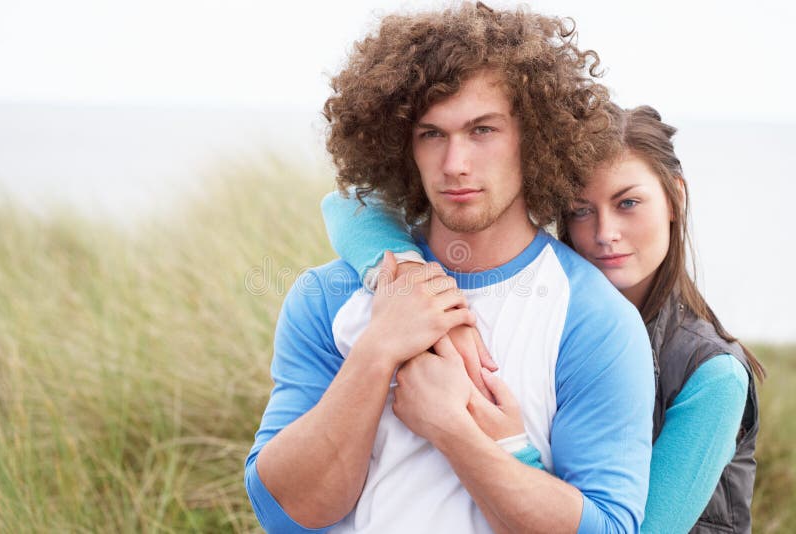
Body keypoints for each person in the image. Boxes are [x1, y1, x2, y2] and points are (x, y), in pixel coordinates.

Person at [245, 3, 655, 533]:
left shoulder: (594, 318)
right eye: (431, 133)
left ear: (533, 138)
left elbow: (610, 527)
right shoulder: (328, 296)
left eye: (482, 130)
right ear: (401, 146)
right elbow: (284, 512)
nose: (455, 163)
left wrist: (452, 429)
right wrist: (377, 351)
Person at [321, 102, 764, 533]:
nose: (604, 233)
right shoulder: (561, 308)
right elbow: (346, 205)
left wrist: (511, 449)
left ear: (674, 198)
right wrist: (417, 282)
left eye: (628, 203)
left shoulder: (714, 375)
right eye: (580, 210)